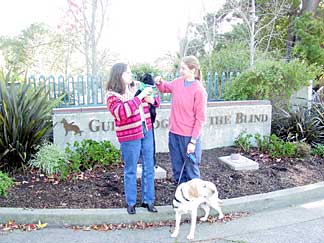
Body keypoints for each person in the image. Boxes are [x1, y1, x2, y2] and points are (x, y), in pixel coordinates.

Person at [106, 63, 159, 214]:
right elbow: (121, 113)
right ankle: (131, 202)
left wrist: (152, 99)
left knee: (149, 166)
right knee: (131, 169)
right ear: (119, 75)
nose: (131, 75)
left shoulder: (137, 85)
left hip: (146, 129)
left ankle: (148, 201)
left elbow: (156, 99)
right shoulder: (112, 95)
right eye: (127, 72)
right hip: (129, 135)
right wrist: (140, 97)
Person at [155, 55, 207, 184]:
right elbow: (164, 88)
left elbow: (200, 119)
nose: (181, 71)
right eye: (181, 68)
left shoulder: (199, 90)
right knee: (177, 169)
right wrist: (159, 82)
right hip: (174, 134)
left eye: (183, 68)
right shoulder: (178, 82)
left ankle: (196, 199)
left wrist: (193, 142)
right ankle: (181, 195)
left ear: (193, 70)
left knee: (191, 170)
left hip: (188, 137)